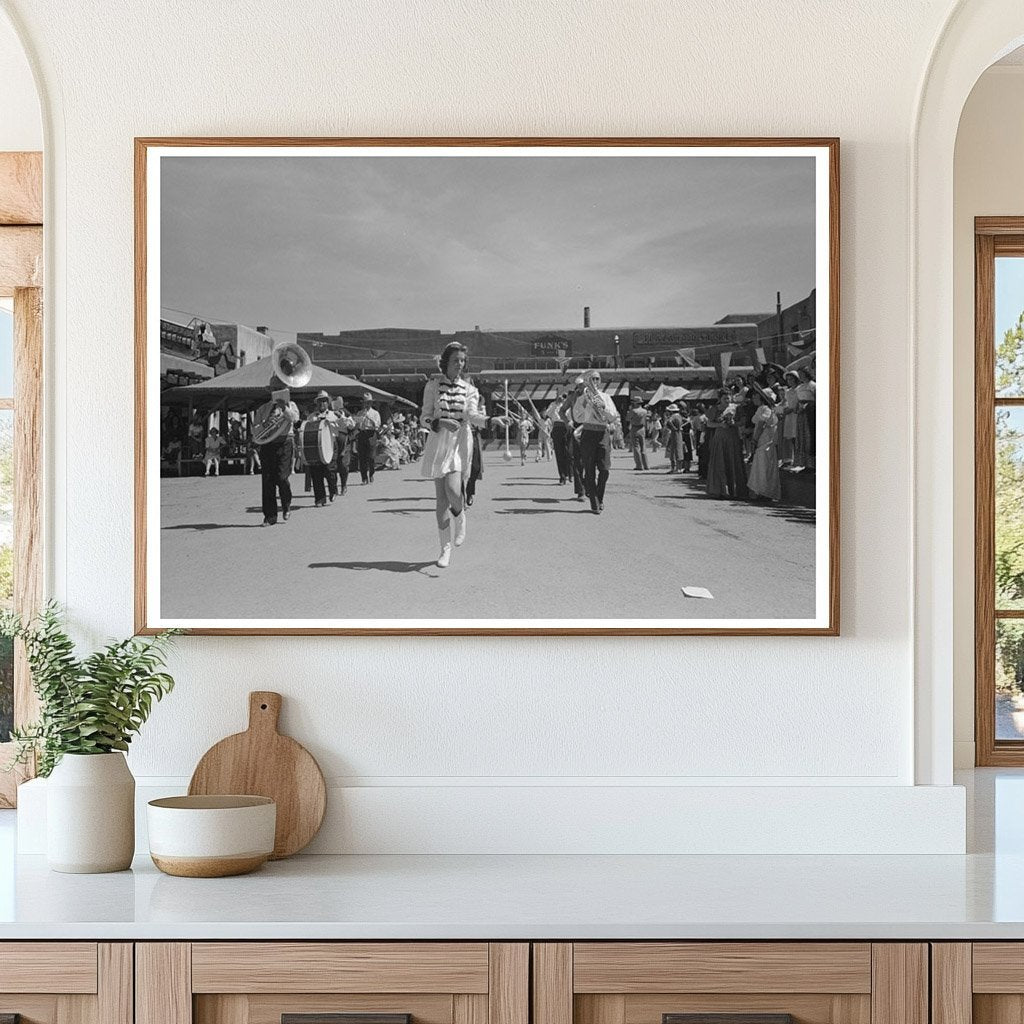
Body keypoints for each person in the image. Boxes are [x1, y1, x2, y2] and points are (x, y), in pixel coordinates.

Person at [420, 341, 487, 567]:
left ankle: (460, 516)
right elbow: (425, 417)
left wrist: (489, 420)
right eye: (456, 360)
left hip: (459, 442)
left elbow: (472, 414)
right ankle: (444, 549)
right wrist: (440, 422)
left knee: (452, 490)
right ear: (445, 363)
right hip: (439, 440)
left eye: (462, 360)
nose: (460, 364)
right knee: (440, 502)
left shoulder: (470, 389)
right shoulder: (432, 386)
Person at [572, 369, 619, 514]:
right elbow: (577, 418)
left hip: (602, 433)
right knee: (590, 469)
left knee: (604, 470)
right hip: (588, 433)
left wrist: (602, 408)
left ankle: (599, 496)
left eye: (597, 379)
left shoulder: (606, 397)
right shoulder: (581, 399)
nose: (595, 382)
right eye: (592, 379)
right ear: (587, 381)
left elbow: (612, 416)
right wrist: (586, 405)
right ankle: (594, 502)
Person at [254, 381, 300, 525]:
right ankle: (270, 516)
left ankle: (286, 505)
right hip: (268, 444)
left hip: (285, 442)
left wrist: (284, 408)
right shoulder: (263, 408)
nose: (277, 391)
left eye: (280, 389)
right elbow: (255, 430)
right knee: (268, 481)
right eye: (275, 389)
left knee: (282, 477)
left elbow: (295, 419)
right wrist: (265, 424)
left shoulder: (291, 405)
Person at [706, 391, 748, 499]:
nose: (727, 401)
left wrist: (733, 423)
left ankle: (734, 490)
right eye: (725, 398)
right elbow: (709, 423)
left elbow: (743, 421)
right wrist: (720, 424)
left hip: (732, 437)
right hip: (720, 437)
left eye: (729, 398)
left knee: (733, 461)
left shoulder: (736, 408)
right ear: (720, 398)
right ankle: (720, 490)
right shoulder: (715, 408)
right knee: (720, 462)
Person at [304, 390, 340, 507]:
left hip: (330, 445)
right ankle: (320, 498)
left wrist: (342, 418)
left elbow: (348, 425)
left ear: (328, 403)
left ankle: (333, 490)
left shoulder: (334, 415)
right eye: (319, 402)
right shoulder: (311, 417)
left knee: (330, 471)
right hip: (316, 447)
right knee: (316, 473)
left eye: (324, 401)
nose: (322, 404)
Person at [747, 386, 781, 501]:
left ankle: (764, 492)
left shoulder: (764, 409)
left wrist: (755, 439)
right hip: (766, 437)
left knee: (764, 465)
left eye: (756, 396)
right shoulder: (764, 409)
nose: (753, 398)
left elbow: (761, 425)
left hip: (764, 438)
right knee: (763, 465)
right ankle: (761, 491)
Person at [354, 392, 382, 484]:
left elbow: (377, 425)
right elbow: (357, 425)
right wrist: (359, 420)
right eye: (366, 402)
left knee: (371, 457)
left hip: (371, 434)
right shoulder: (360, 413)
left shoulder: (375, 413)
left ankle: (371, 473)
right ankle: (364, 478)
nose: (367, 404)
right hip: (362, 434)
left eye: (369, 402)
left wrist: (369, 417)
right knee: (362, 458)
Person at [626, 394, 650, 470]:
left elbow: (627, 418)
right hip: (642, 428)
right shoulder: (645, 411)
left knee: (636, 447)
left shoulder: (633, 411)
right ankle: (646, 465)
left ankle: (639, 465)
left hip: (635, 428)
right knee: (643, 447)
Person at [662, 403, 686, 473]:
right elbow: (686, 420)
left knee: (674, 450)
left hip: (674, 433)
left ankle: (674, 468)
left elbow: (668, 422)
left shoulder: (673, 416)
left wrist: (673, 428)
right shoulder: (679, 416)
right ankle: (679, 468)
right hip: (679, 433)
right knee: (679, 449)